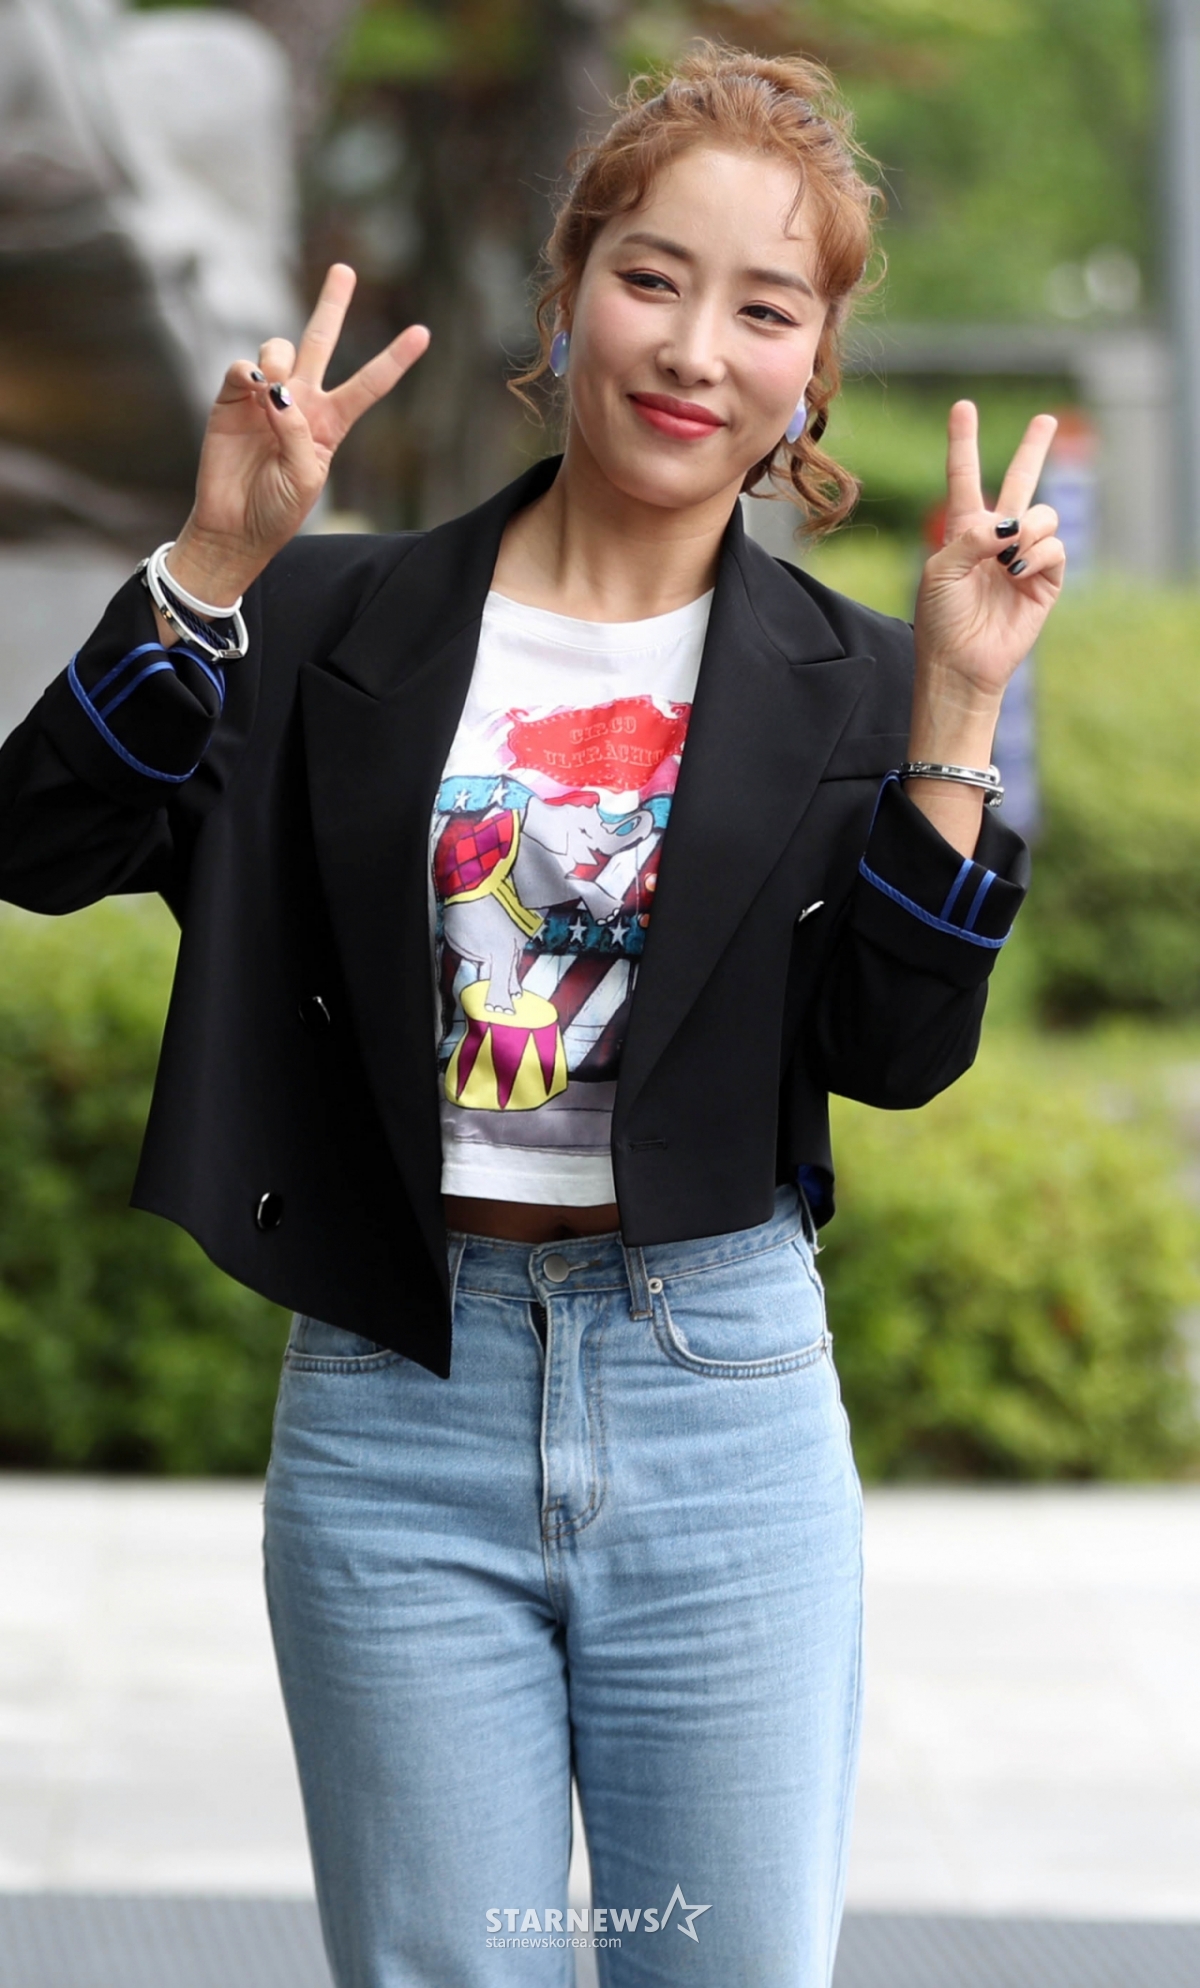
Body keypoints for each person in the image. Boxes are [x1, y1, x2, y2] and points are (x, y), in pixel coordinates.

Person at [0, 44, 1064, 1988]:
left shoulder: (868, 682)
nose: (695, 349)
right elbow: (44, 842)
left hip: (721, 1396)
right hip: (396, 1398)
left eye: (765, 309)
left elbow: (897, 1058)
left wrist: (962, 714)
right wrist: (216, 558)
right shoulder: (323, 625)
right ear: (568, 289)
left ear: (813, 371)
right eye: (653, 277)